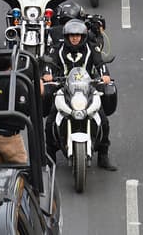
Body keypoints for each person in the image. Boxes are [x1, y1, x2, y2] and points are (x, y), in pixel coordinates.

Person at [43, 18, 116, 170]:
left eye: (78, 35)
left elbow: (100, 64)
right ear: (67, 36)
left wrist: (105, 76)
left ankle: (103, 155)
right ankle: (50, 157)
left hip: (88, 88)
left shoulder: (91, 48)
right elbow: (49, 64)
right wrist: (47, 74)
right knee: (50, 122)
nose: (75, 38)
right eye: (71, 35)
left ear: (83, 36)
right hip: (63, 89)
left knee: (103, 120)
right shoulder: (58, 49)